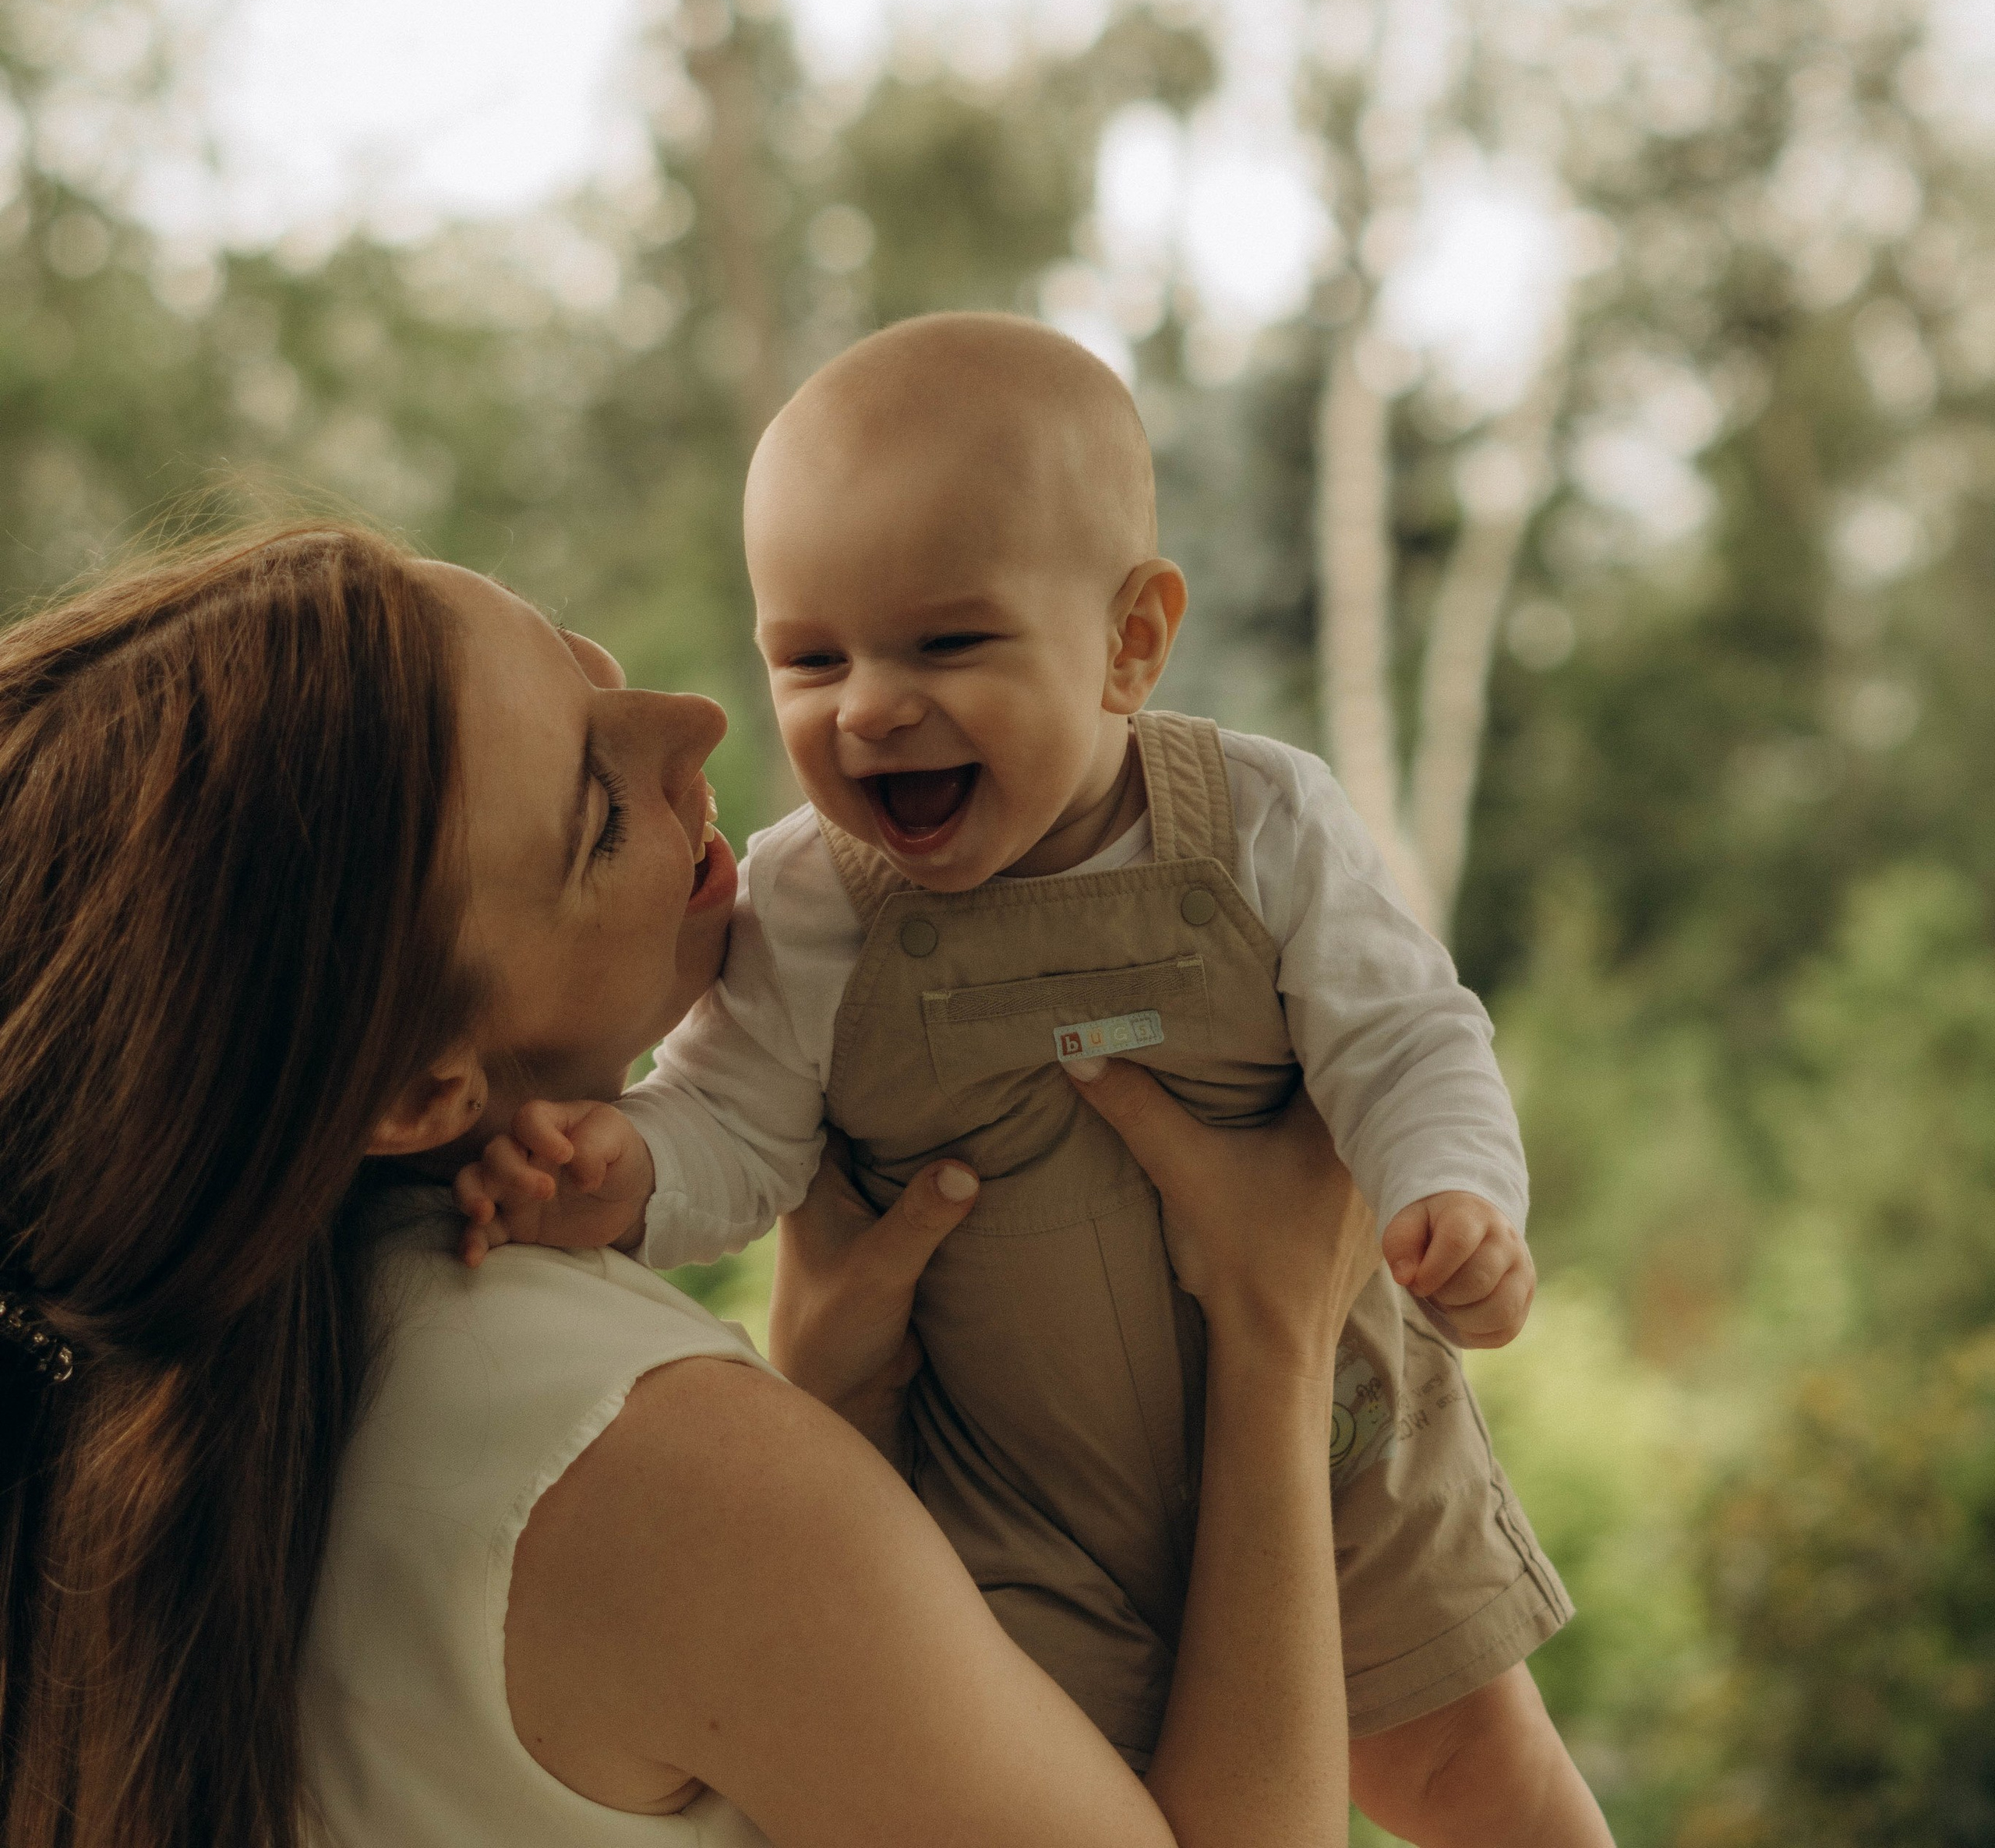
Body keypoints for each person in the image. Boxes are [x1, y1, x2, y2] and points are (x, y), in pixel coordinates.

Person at [0, 520, 1382, 1848]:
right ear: (421, 1091)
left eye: (582, 657)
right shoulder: (640, 1457)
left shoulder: (169, 1406)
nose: (697, 724)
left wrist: (832, 1407)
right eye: (600, 812)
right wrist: (1273, 1331)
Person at [457, 313, 1613, 1844]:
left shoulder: (1259, 820)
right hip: (1011, 1503)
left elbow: (1401, 1033)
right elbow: (734, 1124)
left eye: (944, 643)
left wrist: (1451, 1196)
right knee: (1108, 1802)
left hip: (1334, 1449)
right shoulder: (810, 904)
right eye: (810, 658)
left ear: (1129, 641)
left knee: (1484, 1779)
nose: (866, 707)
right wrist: (630, 1175)